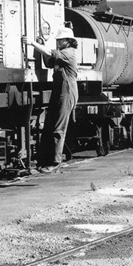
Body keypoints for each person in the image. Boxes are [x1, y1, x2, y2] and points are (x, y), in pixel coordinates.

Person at [25, 25, 79, 173]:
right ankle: (44, 161)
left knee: (58, 128)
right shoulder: (62, 53)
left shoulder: (69, 53)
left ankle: (55, 163)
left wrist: (33, 43)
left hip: (67, 91)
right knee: (50, 125)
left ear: (68, 41)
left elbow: (49, 52)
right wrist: (40, 45)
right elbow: (48, 61)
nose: (58, 43)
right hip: (60, 90)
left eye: (61, 40)